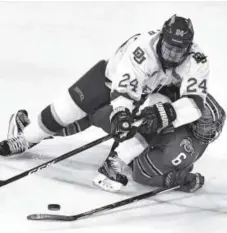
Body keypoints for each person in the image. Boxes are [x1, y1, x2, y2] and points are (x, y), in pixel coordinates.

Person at [0, 15, 210, 190]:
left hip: (146, 95)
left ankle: (114, 163)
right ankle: (25, 137)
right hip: (106, 81)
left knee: (155, 116)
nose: (173, 53)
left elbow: (195, 103)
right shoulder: (143, 49)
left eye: (179, 49)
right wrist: (121, 114)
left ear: (188, 46)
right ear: (162, 38)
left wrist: (168, 113)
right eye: (169, 46)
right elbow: (123, 89)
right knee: (62, 114)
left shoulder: (196, 60)